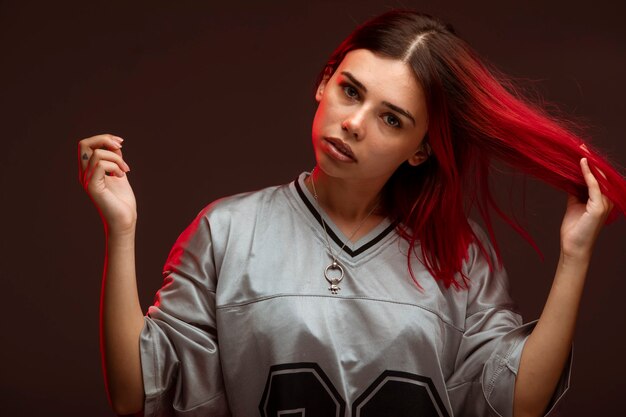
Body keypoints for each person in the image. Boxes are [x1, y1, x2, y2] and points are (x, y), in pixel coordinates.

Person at [77, 10, 625, 417]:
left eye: (391, 118)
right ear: (323, 82)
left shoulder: (460, 254)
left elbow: (517, 402)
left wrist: (575, 255)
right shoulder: (226, 230)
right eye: (349, 90)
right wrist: (121, 229)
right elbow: (137, 393)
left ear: (421, 148)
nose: (355, 122)